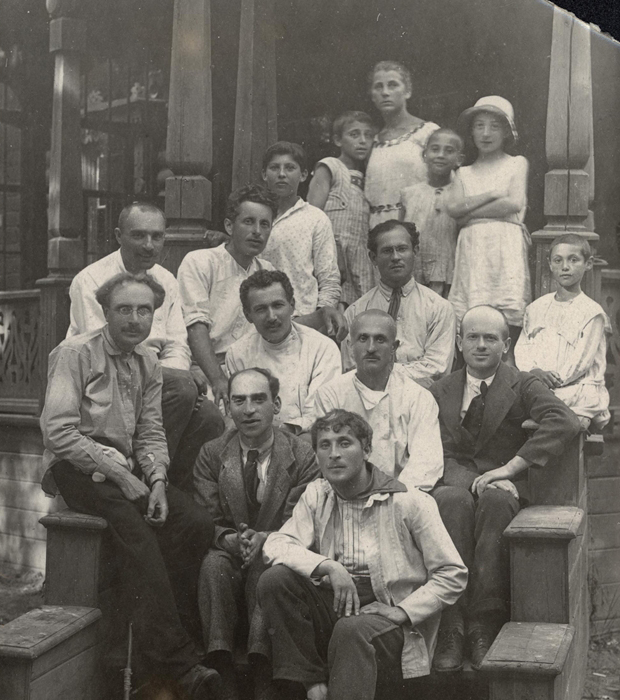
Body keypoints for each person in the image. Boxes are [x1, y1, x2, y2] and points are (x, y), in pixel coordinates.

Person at [257, 409, 466, 700]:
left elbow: (453, 575)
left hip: (390, 629)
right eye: (324, 446)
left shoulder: (410, 502)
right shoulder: (317, 495)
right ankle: (318, 692)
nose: (334, 455)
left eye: (345, 443)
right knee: (275, 580)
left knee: (353, 630)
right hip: (338, 616)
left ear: (367, 450)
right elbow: (277, 544)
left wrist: (401, 613)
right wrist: (328, 568)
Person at [41, 272, 221, 700]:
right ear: (105, 312)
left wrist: (157, 480)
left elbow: (151, 433)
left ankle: (155, 655)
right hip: (78, 467)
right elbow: (59, 433)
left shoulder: (148, 363)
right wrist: (122, 479)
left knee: (193, 522)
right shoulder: (74, 353)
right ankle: (181, 665)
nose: (135, 319)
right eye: (125, 309)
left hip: (130, 470)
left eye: (144, 310)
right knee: (135, 531)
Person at [430, 305, 581, 671]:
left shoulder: (523, 382)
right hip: (454, 480)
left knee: (497, 503)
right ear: (458, 343)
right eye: (473, 337)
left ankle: (484, 621)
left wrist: (511, 469)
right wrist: (469, 482)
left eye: (491, 338)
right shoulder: (440, 389)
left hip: (505, 487)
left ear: (506, 343)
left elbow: (565, 421)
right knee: (450, 502)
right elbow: (435, 448)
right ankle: (452, 622)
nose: (481, 345)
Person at [193, 368, 320, 700]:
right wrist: (231, 540)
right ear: (228, 406)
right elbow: (206, 517)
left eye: (258, 399)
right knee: (213, 566)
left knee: (266, 571)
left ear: (276, 405)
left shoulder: (302, 455)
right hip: (229, 549)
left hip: (281, 547)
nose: (249, 410)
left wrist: (266, 539)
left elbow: (303, 517)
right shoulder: (213, 454)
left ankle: (266, 682)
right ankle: (225, 681)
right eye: (239, 400)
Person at [67, 202, 224, 488]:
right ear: (118, 236)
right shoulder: (90, 281)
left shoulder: (166, 280)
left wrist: (166, 375)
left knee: (210, 418)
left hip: (154, 380)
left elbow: (177, 345)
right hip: (103, 384)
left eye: (157, 236)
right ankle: (139, 478)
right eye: (139, 235)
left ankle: (169, 487)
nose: (149, 245)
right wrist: (170, 378)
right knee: (182, 386)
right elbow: (106, 349)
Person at [313, 310, 443, 493]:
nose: (371, 348)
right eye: (363, 339)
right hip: (347, 494)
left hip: (402, 496)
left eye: (380, 339)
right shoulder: (330, 394)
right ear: (350, 345)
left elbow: (426, 462)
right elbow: (329, 458)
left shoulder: (417, 397)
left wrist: (393, 496)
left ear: (394, 347)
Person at [177, 184, 277, 413]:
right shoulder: (201, 262)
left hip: (253, 368)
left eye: (265, 224)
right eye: (248, 221)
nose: (257, 231)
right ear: (229, 226)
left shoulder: (267, 270)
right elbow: (196, 327)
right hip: (206, 368)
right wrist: (218, 379)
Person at [446, 96, 531, 352]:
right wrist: (493, 196)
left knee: (504, 314)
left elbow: (514, 203)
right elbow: (454, 211)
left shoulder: (516, 164)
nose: (486, 133)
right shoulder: (463, 173)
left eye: (494, 126)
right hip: (474, 248)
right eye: (479, 125)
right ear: (471, 131)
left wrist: (470, 213)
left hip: (505, 246)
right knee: (474, 314)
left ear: (507, 131)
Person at [226, 270, 342, 438]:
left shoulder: (322, 348)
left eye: (278, 305)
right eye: (261, 309)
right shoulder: (238, 353)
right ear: (248, 315)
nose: (272, 317)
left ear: (292, 305)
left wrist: (285, 431)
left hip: (307, 436)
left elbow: (322, 411)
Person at [514, 234, 611, 431]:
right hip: (538, 383)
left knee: (555, 407)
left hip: (574, 387)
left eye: (573, 260)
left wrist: (554, 380)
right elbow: (523, 347)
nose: (565, 267)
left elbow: (581, 362)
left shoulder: (592, 312)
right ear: (550, 264)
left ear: (588, 263)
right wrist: (534, 372)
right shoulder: (536, 308)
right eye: (558, 260)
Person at [342, 221, 456, 387]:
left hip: (421, 401)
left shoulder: (439, 308)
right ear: (373, 258)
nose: (395, 257)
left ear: (415, 251)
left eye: (402, 249)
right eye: (387, 251)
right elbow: (351, 369)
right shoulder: (355, 312)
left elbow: (437, 369)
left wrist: (377, 372)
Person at [260, 141, 346, 341]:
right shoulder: (256, 218)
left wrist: (319, 317)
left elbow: (329, 277)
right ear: (264, 174)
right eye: (274, 168)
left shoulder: (315, 218)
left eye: (290, 168)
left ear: (304, 175)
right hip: (260, 318)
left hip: (302, 320)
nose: (282, 174)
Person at [307, 111, 377, 307]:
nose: (362, 141)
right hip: (333, 250)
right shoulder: (330, 166)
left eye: (368, 135)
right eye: (354, 135)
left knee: (362, 305)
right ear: (338, 139)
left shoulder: (369, 177)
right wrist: (333, 250)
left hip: (360, 255)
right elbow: (312, 214)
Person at [364, 60, 440, 227]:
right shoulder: (372, 142)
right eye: (378, 87)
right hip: (379, 229)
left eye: (392, 85)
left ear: (407, 91)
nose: (385, 92)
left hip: (422, 222)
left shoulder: (427, 132)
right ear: (372, 96)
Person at [399, 128, 463, 297]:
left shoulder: (461, 195)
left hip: (448, 274)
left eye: (449, 151)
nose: (441, 155)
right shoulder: (409, 194)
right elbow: (402, 235)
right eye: (435, 149)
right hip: (415, 272)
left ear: (459, 159)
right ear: (424, 155)